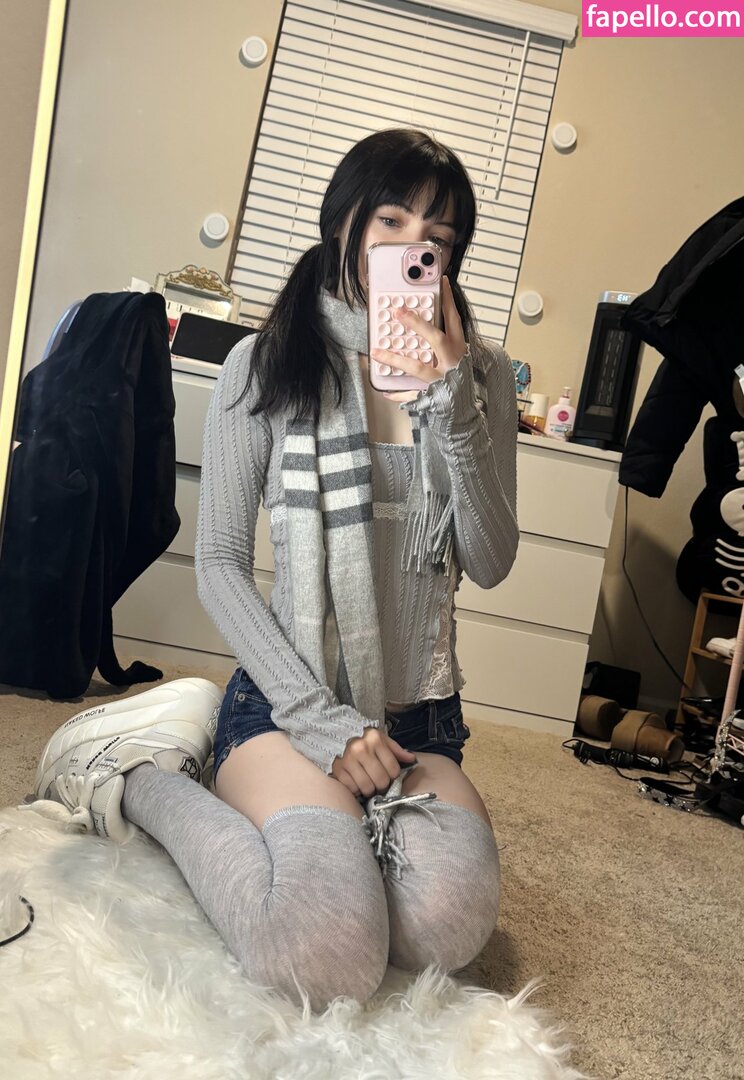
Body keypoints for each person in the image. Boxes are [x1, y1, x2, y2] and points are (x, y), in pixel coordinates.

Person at [32, 128, 519, 1014]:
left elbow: (489, 563)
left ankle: (341, 827)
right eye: (392, 219)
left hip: (418, 718)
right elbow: (219, 563)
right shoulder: (265, 362)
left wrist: (452, 403)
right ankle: (140, 780)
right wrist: (324, 726)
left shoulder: (480, 376)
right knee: (319, 952)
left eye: (440, 237)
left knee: (444, 931)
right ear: (343, 221)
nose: (415, 246)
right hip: (291, 704)